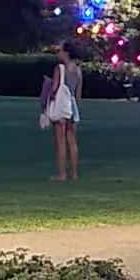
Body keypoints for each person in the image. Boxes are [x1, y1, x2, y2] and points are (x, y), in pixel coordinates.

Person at [40, 42, 82, 181]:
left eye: (60, 51)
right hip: (73, 106)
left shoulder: (60, 68)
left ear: (67, 53)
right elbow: (78, 94)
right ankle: (74, 173)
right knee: (72, 140)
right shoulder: (78, 71)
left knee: (60, 141)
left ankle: (62, 174)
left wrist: (47, 100)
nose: (58, 53)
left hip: (62, 106)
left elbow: (54, 89)